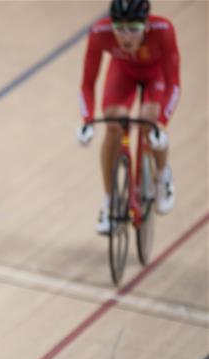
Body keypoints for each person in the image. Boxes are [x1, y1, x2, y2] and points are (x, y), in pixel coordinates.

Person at [77, 0, 180, 233]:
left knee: (148, 117)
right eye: (119, 29)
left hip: (156, 75)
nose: (125, 38)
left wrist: (161, 123)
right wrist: (87, 121)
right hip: (123, 72)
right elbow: (87, 84)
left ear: (146, 25)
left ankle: (163, 176)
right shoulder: (99, 33)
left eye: (133, 29)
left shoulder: (163, 30)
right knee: (113, 121)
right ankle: (109, 201)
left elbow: (174, 84)